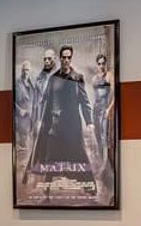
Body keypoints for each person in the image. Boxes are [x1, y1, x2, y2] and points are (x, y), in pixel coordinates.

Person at [29, 44, 93, 174]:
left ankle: (85, 183)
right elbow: (46, 101)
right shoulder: (53, 78)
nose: (66, 60)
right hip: (56, 126)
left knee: (78, 159)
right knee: (51, 160)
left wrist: (89, 122)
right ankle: (49, 182)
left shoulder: (77, 78)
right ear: (60, 58)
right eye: (64, 57)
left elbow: (84, 101)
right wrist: (41, 121)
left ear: (71, 58)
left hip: (73, 126)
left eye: (69, 57)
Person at [91, 52, 115, 163]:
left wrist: (109, 109)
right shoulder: (94, 78)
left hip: (105, 109)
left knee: (104, 135)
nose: (101, 66)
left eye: (103, 63)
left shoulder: (109, 75)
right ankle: (101, 162)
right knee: (97, 135)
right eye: (99, 64)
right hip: (96, 109)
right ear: (97, 65)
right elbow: (95, 96)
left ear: (106, 64)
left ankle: (107, 162)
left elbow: (114, 95)